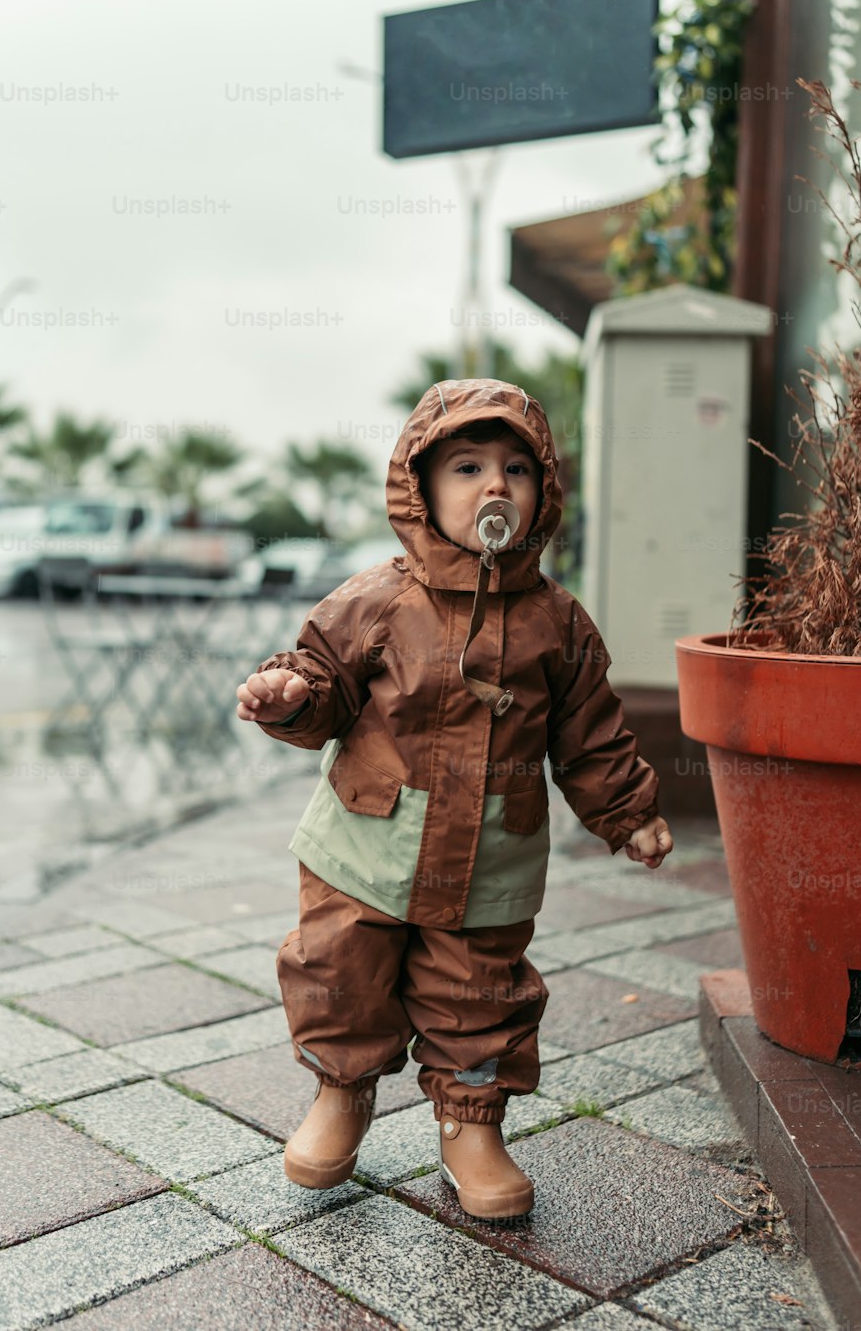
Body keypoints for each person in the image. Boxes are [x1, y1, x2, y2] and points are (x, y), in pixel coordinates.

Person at [236, 378, 672, 1220]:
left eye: (517, 468)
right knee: (338, 974)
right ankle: (342, 1091)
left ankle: (471, 1121)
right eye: (467, 467)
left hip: (489, 858)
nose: (494, 486)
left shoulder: (559, 623)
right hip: (365, 845)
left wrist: (627, 809)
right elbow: (322, 680)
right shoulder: (376, 600)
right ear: (420, 489)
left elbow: (590, 731)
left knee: (480, 992)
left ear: (544, 493)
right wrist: (290, 697)